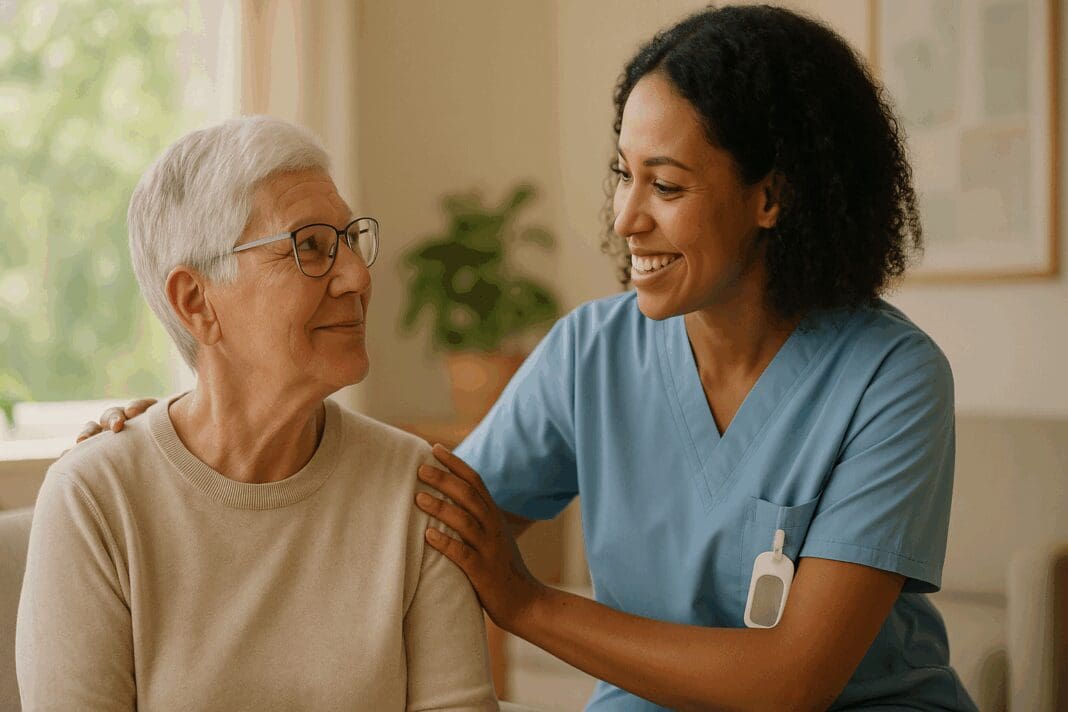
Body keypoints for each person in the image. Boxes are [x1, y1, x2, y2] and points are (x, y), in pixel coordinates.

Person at [84, 6, 977, 711]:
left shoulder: (890, 380)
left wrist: (530, 604)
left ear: (772, 197)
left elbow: (792, 684)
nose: (626, 218)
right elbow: (420, 523)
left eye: (665, 185)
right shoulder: (594, 351)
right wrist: (182, 444)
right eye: (622, 174)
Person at [20, 116, 497, 711]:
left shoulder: (417, 488)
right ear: (196, 302)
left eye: (350, 239)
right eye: (311, 247)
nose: (356, 275)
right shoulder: (95, 499)